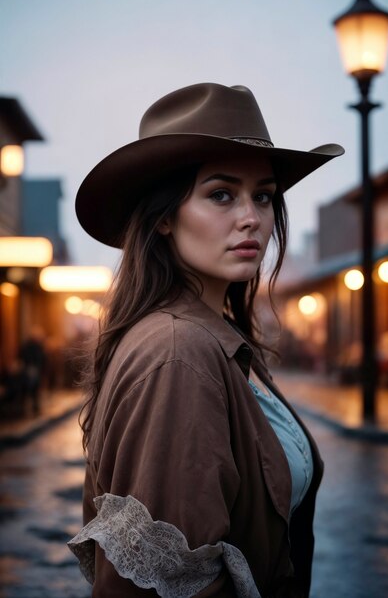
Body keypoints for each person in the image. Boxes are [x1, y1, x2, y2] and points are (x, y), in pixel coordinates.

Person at [68, 83, 344, 598]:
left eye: (263, 195)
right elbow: (164, 587)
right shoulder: (179, 351)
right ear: (165, 217)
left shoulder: (215, 338)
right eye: (221, 194)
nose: (252, 218)